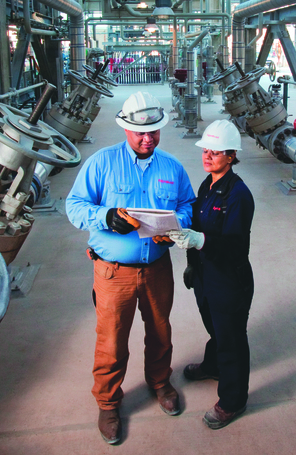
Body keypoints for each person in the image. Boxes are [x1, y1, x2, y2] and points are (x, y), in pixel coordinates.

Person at [66, 91, 195, 445]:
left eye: (153, 131)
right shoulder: (102, 163)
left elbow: (188, 205)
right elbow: (74, 205)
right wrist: (105, 216)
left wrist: (176, 226)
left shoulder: (171, 167)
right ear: (125, 128)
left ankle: (160, 382)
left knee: (160, 330)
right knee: (112, 339)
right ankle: (108, 403)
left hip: (157, 268)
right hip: (113, 273)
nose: (147, 138)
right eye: (140, 133)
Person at [169, 119, 255, 430]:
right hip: (205, 275)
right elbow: (194, 225)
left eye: (215, 152)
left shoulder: (238, 195)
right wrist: (192, 262)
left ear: (231, 156)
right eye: (205, 150)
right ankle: (213, 365)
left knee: (231, 338)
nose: (207, 156)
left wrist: (200, 241)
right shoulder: (207, 185)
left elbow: (235, 247)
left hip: (229, 280)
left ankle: (233, 400)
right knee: (215, 327)